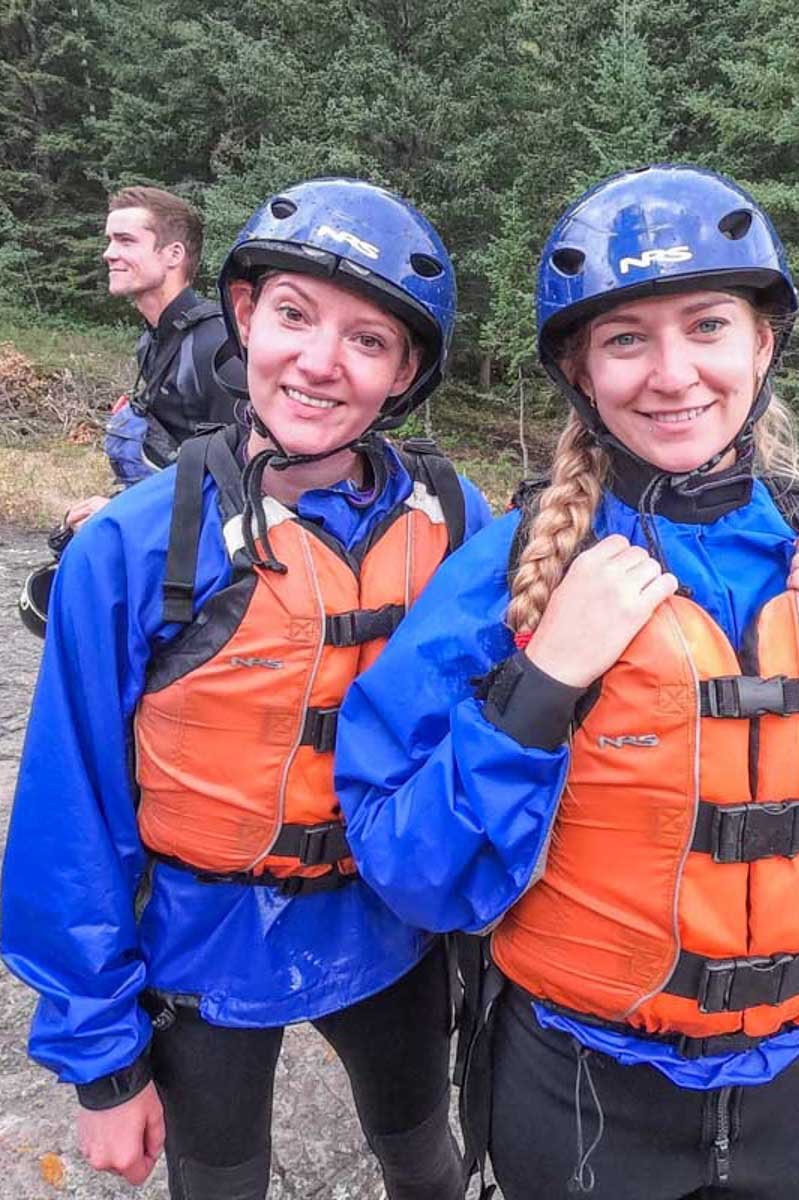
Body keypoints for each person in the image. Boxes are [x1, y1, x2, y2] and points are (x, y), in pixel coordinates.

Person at [335, 164, 799, 1200]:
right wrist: (538, 689)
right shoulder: (505, 573)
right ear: (582, 370)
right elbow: (410, 870)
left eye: (707, 325)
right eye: (627, 339)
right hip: (577, 1090)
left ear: (762, 343)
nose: (673, 374)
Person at [2, 177, 490, 1200]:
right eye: (295, 316)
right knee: (219, 1182)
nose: (319, 362)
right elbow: (71, 814)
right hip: (201, 943)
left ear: (405, 371)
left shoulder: (454, 516)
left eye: (369, 340)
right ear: (244, 317)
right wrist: (102, 1066)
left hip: (391, 932)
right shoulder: (139, 544)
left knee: (424, 1160)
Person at [19, 187, 243, 638]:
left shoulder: (217, 343)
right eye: (108, 240)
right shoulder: (153, 342)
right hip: (167, 544)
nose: (108, 254)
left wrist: (125, 517)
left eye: (125, 241)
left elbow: (240, 477)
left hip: (209, 582)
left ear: (173, 254)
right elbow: (174, 460)